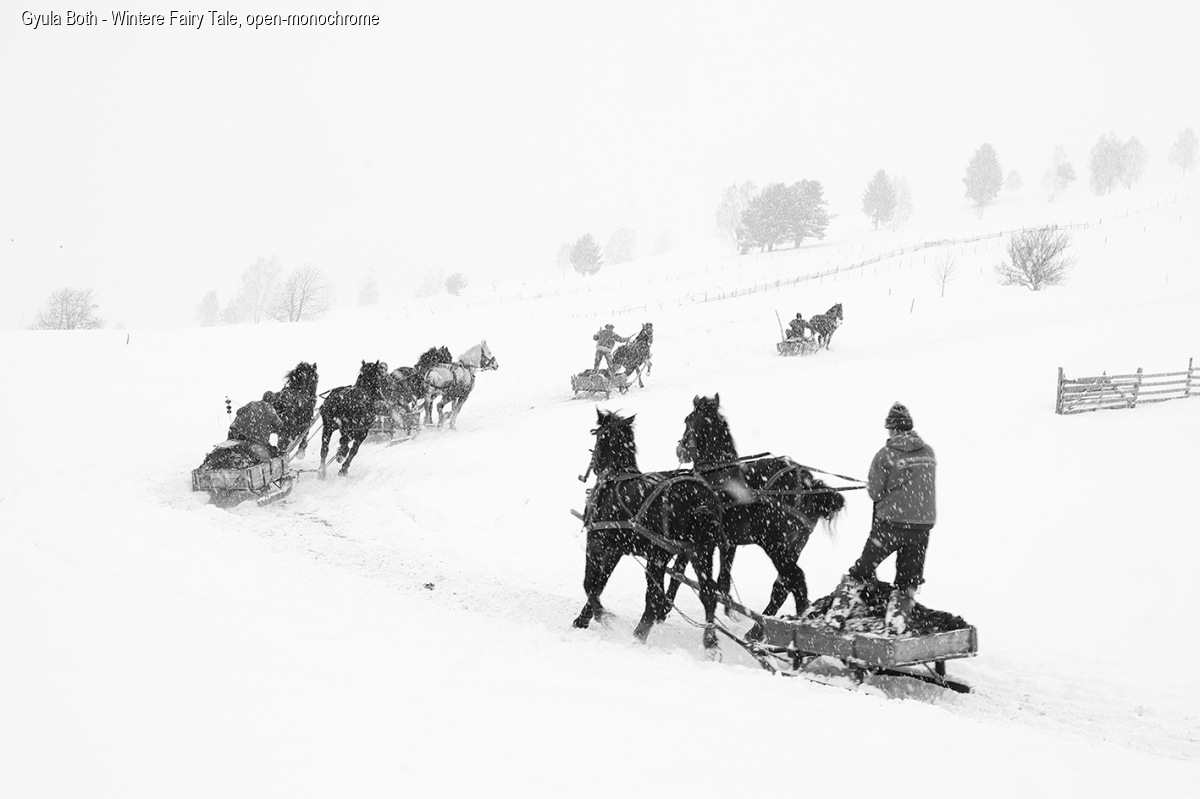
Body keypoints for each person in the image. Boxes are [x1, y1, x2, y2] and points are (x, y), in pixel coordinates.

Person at [827, 402, 937, 634]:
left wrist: (879, 485)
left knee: (861, 571)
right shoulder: (928, 452)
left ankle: (834, 619)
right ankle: (896, 626)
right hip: (921, 527)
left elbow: (875, 493)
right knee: (907, 581)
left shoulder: (885, 455)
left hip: (891, 525)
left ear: (893, 429)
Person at [227, 391, 285, 462]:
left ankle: (229, 455)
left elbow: (238, 412)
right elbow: (280, 425)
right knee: (267, 451)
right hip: (254, 438)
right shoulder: (271, 410)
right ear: (272, 401)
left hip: (236, 430)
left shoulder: (252, 404)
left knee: (231, 446)